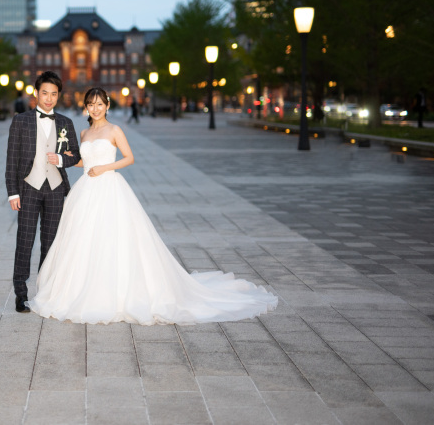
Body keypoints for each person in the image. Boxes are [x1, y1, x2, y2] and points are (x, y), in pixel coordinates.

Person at [29, 87, 278, 325]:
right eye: (91, 105)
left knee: (113, 238)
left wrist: (105, 167)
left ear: (107, 106)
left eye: (100, 105)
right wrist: (60, 159)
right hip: (85, 190)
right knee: (82, 239)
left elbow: (129, 158)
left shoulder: (114, 130)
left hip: (109, 187)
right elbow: (83, 160)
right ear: (86, 107)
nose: (95, 109)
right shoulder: (83, 134)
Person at [5, 71, 80, 313]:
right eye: (44, 93)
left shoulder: (66, 123)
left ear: (59, 96)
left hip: (56, 188)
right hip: (28, 187)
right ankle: (20, 293)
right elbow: (12, 160)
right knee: (25, 241)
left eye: (53, 94)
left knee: (50, 242)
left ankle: (46, 290)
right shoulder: (21, 121)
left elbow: (76, 156)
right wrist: (12, 192)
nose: (48, 98)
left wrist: (60, 158)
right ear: (36, 93)